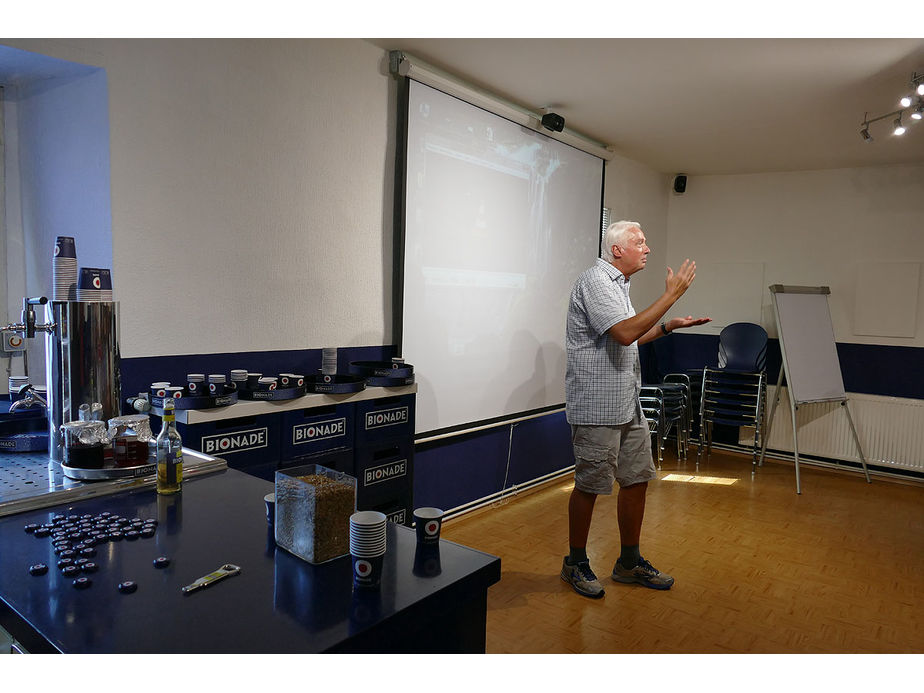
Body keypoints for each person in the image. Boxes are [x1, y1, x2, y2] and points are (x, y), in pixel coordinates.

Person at [561, 220, 711, 599]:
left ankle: (629, 562)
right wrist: (670, 296)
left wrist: (666, 328)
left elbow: (629, 334)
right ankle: (575, 563)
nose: (646, 249)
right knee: (589, 485)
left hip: (627, 405)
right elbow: (624, 333)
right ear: (616, 250)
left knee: (637, 479)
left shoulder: (618, 286)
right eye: (639, 243)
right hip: (597, 409)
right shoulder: (595, 281)